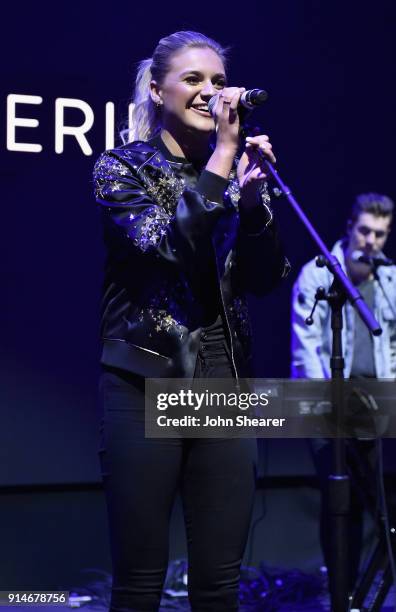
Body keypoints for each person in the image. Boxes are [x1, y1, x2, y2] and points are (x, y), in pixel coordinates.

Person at [93, 30, 289, 611]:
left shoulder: (229, 174)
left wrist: (253, 208)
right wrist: (225, 161)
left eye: (220, 82)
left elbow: (264, 279)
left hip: (223, 387)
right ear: (157, 91)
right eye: (194, 79)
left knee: (219, 585)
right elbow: (166, 244)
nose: (212, 93)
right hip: (143, 382)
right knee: (139, 584)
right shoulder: (121, 167)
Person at [291, 192, 396, 590]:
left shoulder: (390, 280)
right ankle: (341, 592)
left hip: (374, 408)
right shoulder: (317, 276)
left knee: (377, 507)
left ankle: (367, 590)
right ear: (350, 228)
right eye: (365, 231)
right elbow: (307, 352)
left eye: (380, 234)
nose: (371, 241)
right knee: (341, 503)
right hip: (325, 409)